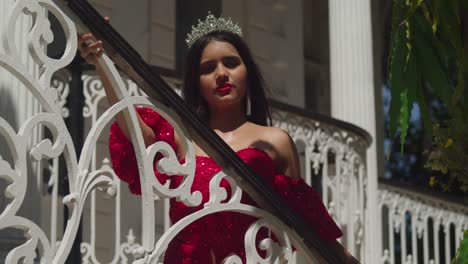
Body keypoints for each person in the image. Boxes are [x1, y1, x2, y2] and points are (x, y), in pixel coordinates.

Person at [78, 14, 344, 263]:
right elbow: (134, 132)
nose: (221, 74)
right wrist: (103, 63)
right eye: (208, 68)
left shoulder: (276, 141)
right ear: (197, 82)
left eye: (231, 63)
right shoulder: (182, 136)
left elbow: (307, 221)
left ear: (247, 71)